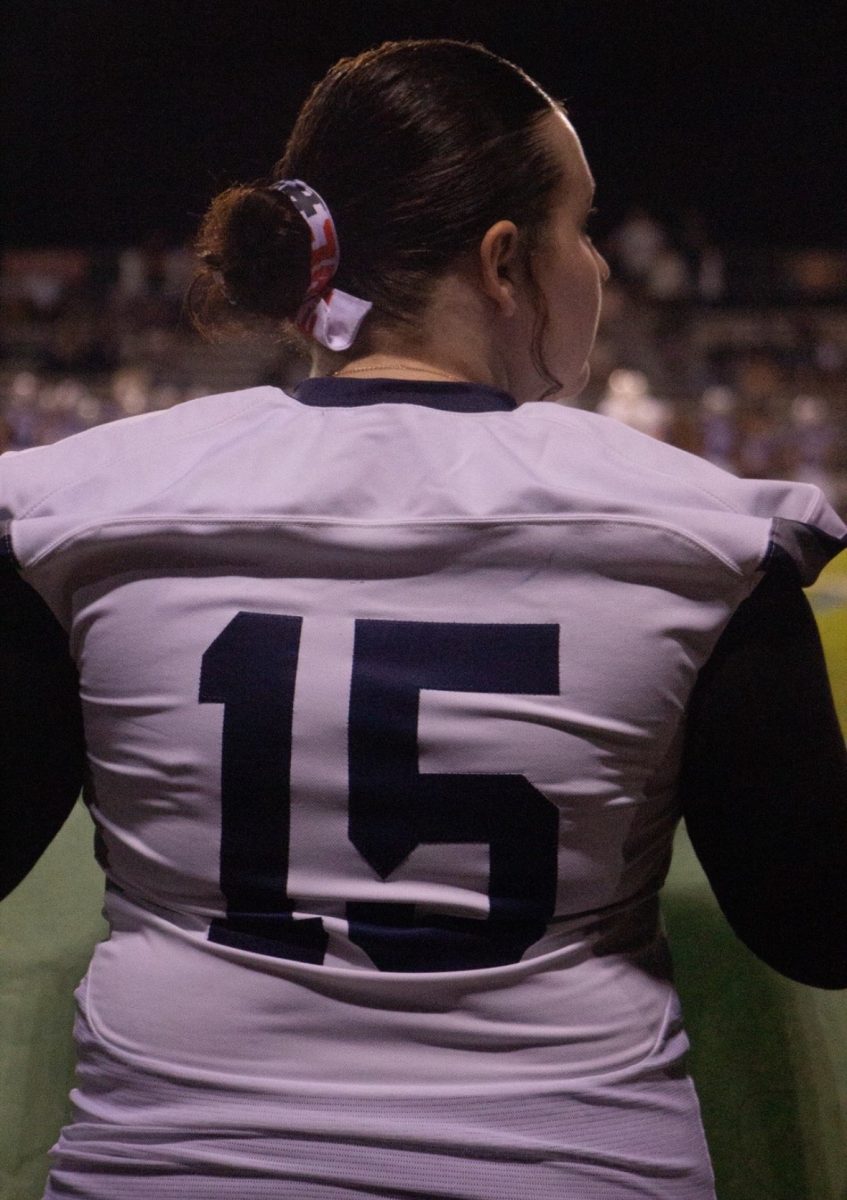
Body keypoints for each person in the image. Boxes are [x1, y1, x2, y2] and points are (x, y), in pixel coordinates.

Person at [1, 38, 845, 1200]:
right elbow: (815, 921)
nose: (597, 265)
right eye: (582, 229)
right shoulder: (697, 533)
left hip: (175, 1167)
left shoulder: (83, 507)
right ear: (505, 262)